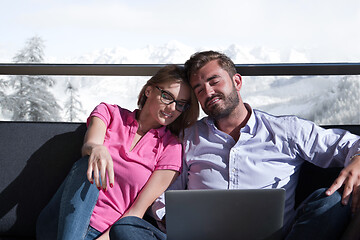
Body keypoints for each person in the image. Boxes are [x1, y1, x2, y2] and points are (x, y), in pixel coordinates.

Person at [150, 51, 360, 240]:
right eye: (199, 89)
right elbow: (163, 195)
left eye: (214, 81)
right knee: (129, 227)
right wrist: (176, 222)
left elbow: (349, 144)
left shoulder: (286, 130)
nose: (208, 92)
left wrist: (358, 159)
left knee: (331, 202)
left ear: (237, 82)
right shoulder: (187, 138)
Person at [36, 64, 199, 240]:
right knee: (88, 162)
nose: (172, 108)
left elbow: (136, 212)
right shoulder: (110, 113)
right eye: (167, 97)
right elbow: (89, 145)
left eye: (181, 104)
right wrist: (97, 148)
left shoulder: (171, 148)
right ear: (149, 91)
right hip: (59, 223)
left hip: (103, 235)